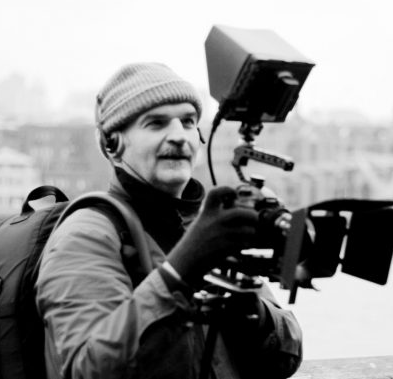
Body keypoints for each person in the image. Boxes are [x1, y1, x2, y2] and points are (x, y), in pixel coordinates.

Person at [36, 62, 303, 379]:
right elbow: (88, 371)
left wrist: (250, 314)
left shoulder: (205, 226)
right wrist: (180, 271)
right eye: (156, 123)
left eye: (188, 122)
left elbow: (287, 357)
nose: (179, 136)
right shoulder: (86, 236)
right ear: (113, 145)